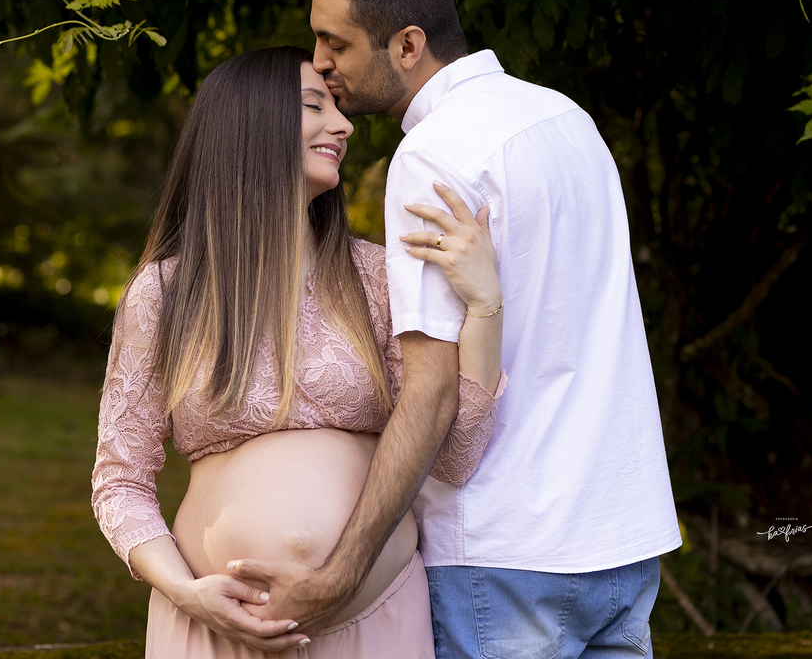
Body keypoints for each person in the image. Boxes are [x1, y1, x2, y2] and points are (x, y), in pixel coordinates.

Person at [229, 0, 683, 658]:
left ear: (407, 44)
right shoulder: (567, 120)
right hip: (622, 541)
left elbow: (432, 393)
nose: (319, 63)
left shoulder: (435, 152)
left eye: (334, 44)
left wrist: (338, 576)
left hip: (504, 550)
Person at [90, 46, 507, 657]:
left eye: (338, 108)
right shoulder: (164, 293)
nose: (343, 124)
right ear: (251, 125)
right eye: (315, 106)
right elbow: (119, 479)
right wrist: (185, 590)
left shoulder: (376, 278)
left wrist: (485, 307)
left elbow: (453, 456)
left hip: (375, 621)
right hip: (211, 628)